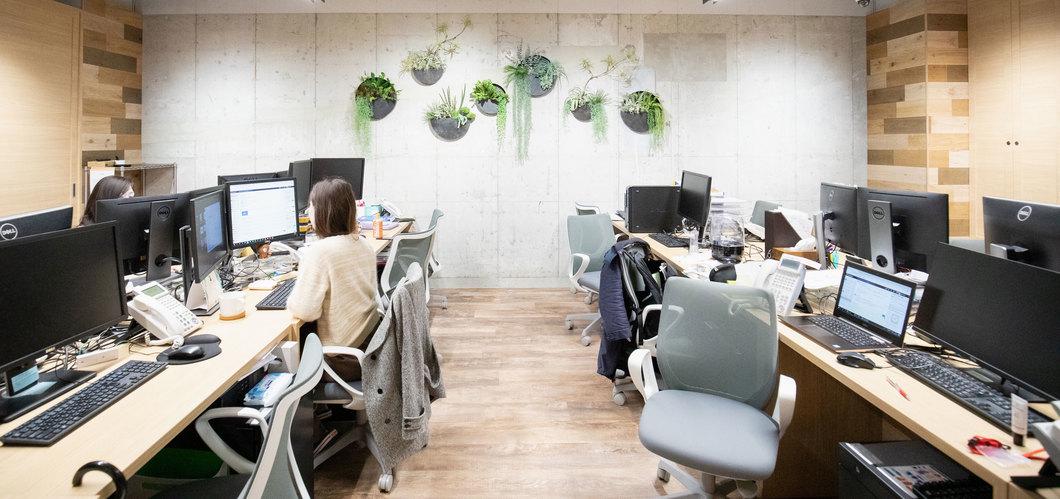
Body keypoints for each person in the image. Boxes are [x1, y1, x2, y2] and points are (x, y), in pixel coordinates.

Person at [287, 178, 380, 376]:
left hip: (343, 360)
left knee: (283, 360)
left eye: (311, 206)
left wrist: (292, 293)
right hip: (372, 345)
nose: (308, 211)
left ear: (323, 212)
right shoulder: (364, 244)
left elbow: (305, 312)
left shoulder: (319, 253)